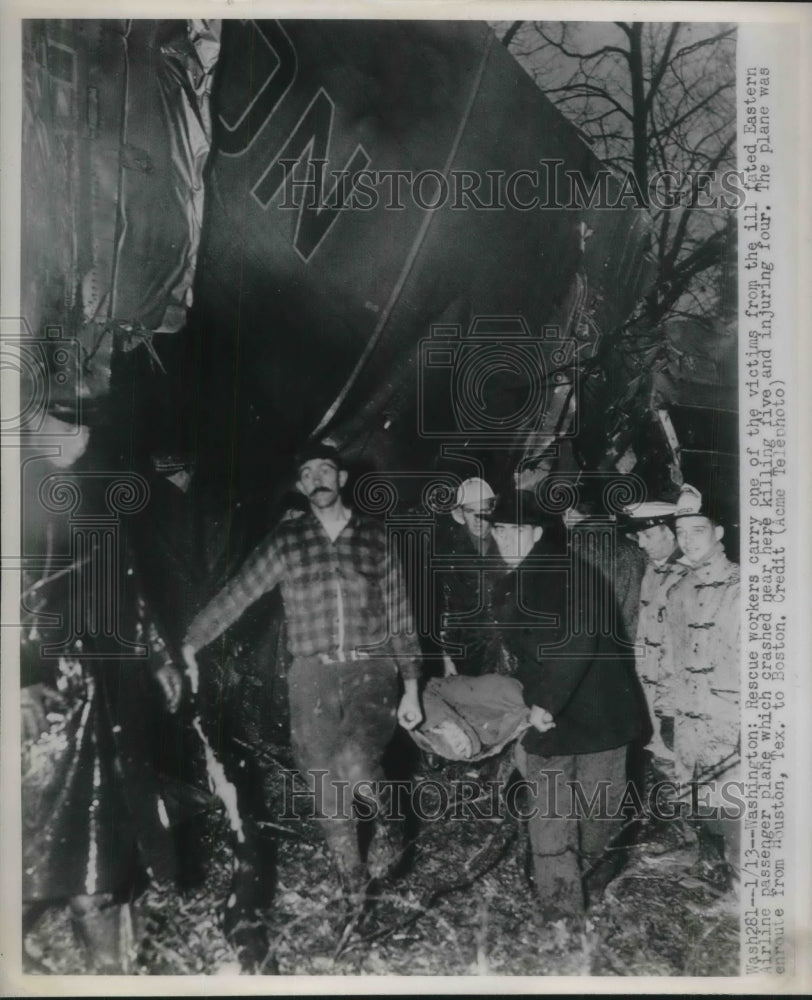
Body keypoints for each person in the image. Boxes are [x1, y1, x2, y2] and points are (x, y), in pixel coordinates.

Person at [182, 442, 423, 906]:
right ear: (300, 485)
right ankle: (353, 882)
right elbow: (239, 593)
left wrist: (411, 687)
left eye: (326, 469)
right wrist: (191, 642)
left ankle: (392, 821)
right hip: (309, 675)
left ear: (343, 478)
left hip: (370, 667)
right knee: (322, 778)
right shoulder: (287, 542)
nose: (318, 478)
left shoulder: (375, 537)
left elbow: (401, 616)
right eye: (308, 472)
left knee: (355, 761)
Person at [21, 415, 183, 973]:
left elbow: (131, 584)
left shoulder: (101, 501)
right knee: (33, 841)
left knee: (99, 840)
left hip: (110, 694)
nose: (71, 437)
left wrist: (161, 657)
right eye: (55, 424)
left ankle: (112, 970)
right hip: (45, 705)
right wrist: (19, 683)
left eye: (79, 428)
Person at [491, 488, 649, 924]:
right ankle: (561, 911)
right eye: (498, 532)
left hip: (598, 714)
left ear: (538, 533)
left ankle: (589, 887)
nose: (504, 541)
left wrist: (544, 703)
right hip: (555, 720)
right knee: (552, 813)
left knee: (600, 812)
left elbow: (576, 642)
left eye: (514, 532)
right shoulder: (513, 582)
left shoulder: (568, 575)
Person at [667, 484, 740, 881]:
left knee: (736, 808)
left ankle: (747, 892)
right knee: (695, 797)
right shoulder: (679, 590)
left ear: (719, 533)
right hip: (689, 720)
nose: (687, 541)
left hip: (729, 722)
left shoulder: (743, 589)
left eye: (697, 530)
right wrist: (667, 708)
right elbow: (672, 658)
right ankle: (711, 870)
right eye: (681, 533)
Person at [620, 499, 690, 765]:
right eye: (638, 535)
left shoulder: (688, 575)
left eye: (647, 534)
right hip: (648, 694)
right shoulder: (651, 568)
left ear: (670, 532)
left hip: (674, 701)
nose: (640, 543)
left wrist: (669, 708)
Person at [436, 477, 510, 677]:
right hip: (469, 652)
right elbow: (443, 609)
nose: (478, 519)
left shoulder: (508, 543)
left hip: (509, 647)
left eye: (484, 512)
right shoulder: (448, 554)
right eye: (471, 512)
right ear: (461, 514)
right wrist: (446, 658)